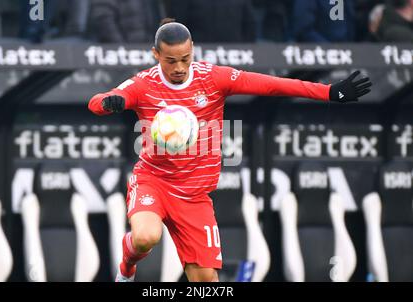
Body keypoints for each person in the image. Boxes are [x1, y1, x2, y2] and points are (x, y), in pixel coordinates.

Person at [88, 19, 372, 282]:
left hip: (194, 195)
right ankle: (127, 266)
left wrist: (329, 92)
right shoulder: (144, 84)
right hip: (155, 181)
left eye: (185, 59)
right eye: (170, 60)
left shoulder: (213, 79)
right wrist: (109, 102)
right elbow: (99, 101)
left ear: (192, 52)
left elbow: (272, 85)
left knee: (207, 283)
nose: (178, 67)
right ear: (156, 55)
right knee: (145, 237)